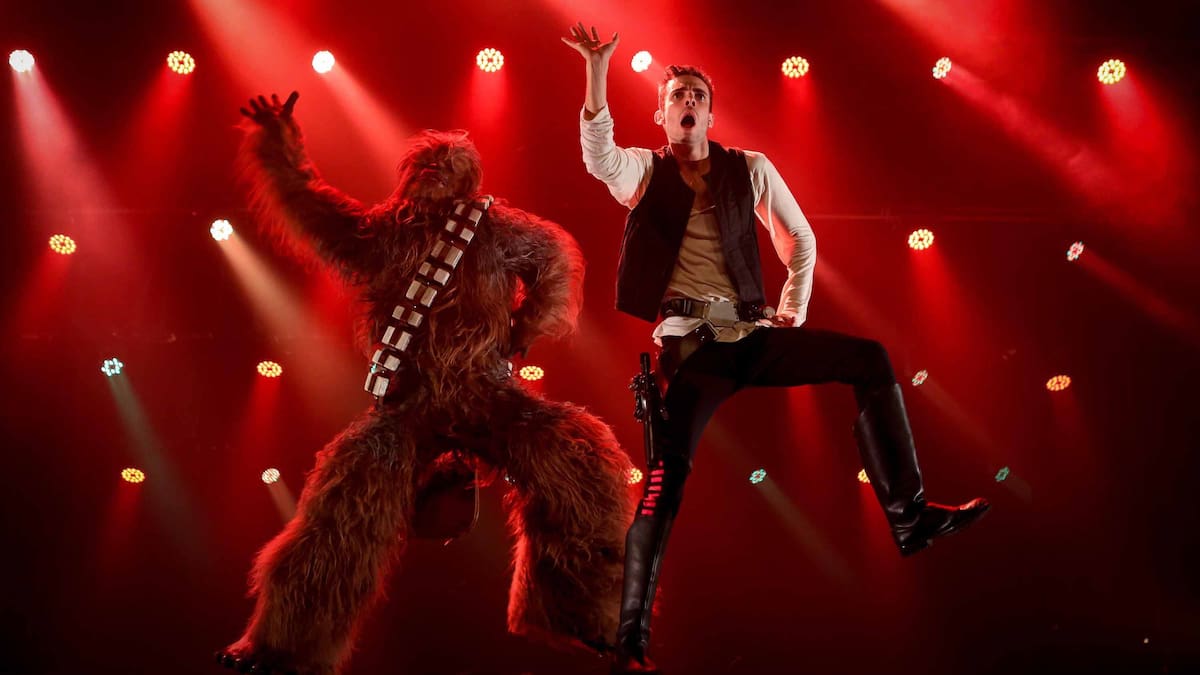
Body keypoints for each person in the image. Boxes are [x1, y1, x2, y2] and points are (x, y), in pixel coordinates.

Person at [562, 23, 991, 673]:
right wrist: (597, 71)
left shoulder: (750, 169)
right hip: (692, 351)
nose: (686, 101)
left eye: (697, 95)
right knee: (664, 481)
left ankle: (910, 519)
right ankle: (631, 638)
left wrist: (795, 307)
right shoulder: (643, 173)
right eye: (676, 95)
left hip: (753, 337)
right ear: (662, 115)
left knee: (870, 359)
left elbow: (800, 238)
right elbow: (598, 155)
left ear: (710, 113)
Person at [216, 92, 633, 674]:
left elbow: (554, 258)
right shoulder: (382, 233)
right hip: (407, 406)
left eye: (448, 164)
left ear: (469, 180)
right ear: (407, 176)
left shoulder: (497, 230)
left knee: (581, 460)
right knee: (340, 509)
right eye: (425, 162)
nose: (435, 169)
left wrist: (524, 327)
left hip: (486, 392)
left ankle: (583, 614)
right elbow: (311, 206)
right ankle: (285, 647)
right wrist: (281, 145)